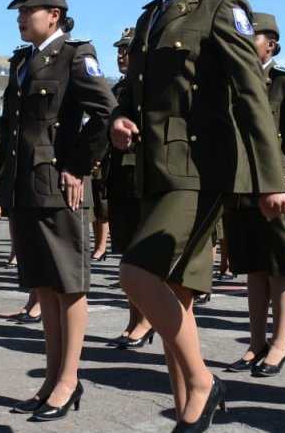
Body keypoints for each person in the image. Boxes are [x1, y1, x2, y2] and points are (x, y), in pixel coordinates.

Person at [109, 0, 285, 431]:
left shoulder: (221, 6)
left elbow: (252, 95)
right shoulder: (149, 16)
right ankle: (190, 409)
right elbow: (137, 95)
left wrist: (271, 181)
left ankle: (204, 383)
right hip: (154, 167)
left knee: (137, 274)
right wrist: (119, 120)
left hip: (201, 167)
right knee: (177, 296)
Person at [1, 0, 115, 420]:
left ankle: (69, 380)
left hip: (58, 186)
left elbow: (105, 113)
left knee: (68, 285)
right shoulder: (23, 61)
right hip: (26, 186)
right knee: (44, 285)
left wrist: (77, 166)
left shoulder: (74, 55)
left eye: (26, 9)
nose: (18, 17)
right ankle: (52, 378)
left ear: (53, 14)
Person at [223, 12, 285, 377]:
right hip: (242, 187)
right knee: (253, 267)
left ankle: (280, 343)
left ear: (271, 44)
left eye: (251, 37)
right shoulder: (234, 82)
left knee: (280, 267)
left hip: (278, 190)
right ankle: (256, 342)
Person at [104, 27, 153, 349]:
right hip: (120, 178)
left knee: (142, 258)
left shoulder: (150, 87)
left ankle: (147, 319)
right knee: (126, 256)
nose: (122, 55)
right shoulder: (121, 88)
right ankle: (134, 318)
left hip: (143, 179)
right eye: (119, 50)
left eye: (128, 50)